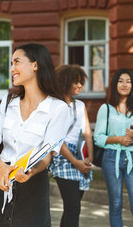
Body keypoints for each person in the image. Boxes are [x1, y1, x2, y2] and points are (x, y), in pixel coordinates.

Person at [0, 43, 71, 227]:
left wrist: (31, 171)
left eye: (17, 62)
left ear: (35, 65)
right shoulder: (8, 101)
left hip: (32, 184)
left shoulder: (58, 109)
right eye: (11, 63)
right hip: (0, 180)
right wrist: (1, 167)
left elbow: (47, 155)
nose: (12, 69)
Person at [94, 68, 133, 227]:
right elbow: (98, 138)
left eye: (128, 81)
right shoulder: (106, 109)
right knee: (115, 206)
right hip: (110, 158)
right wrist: (119, 139)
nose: (125, 85)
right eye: (121, 81)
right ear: (115, 84)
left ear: (132, 85)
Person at [49, 64, 93, 227]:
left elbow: (87, 133)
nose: (80, 86)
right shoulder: (54, 106)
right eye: (77, 82)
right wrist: (75, 162)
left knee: (72, 209)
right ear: (65, 82)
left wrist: (89, 158)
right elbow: (57, 139)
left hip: (80, 155)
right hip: (62, 156)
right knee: (73, 207)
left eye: (81, 82)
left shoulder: (80, 105)